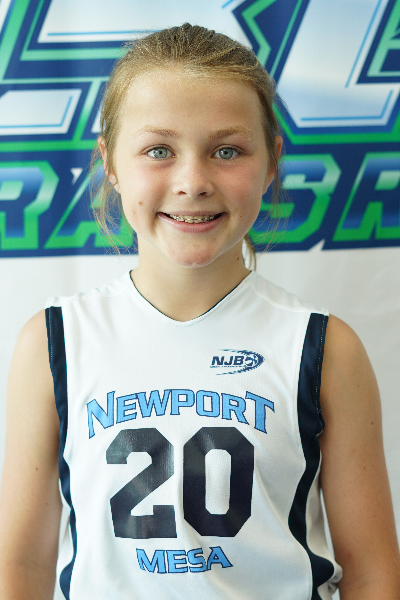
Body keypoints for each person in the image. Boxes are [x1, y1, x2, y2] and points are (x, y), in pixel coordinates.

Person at [0, 23, 399, 600]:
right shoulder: (55, 341)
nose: (193, 182)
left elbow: (373, 573)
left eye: (227, 150)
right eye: (158, 151)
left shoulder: (323, 347)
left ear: (271, 161)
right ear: (110, 163)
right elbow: (21, 566)